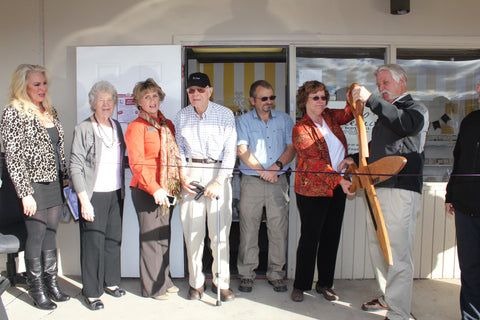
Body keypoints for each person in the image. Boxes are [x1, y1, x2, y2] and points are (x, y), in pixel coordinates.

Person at [338, 64, 429, 320]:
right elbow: (382, 149)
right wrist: (353, 157)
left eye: (386, 82)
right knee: (378, 247)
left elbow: (404, 125)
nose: (381, 88)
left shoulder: (415, 110)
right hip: (375, 188)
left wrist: (371, 100)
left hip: (400, 189)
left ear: (402, 83)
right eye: (378, 84)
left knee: (397, 252)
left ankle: (399, 312)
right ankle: (387, 297)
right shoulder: (388, 114)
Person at [0, 64, 70, 310]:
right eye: (36, 84)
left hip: (53, 182)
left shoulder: (49, 110)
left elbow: (58, 147)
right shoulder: (14, 112)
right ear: (24, 86)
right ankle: (37, 289)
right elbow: (13, 157)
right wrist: (25, 192)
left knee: (51, 232)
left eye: (44, 83)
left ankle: (52, 285)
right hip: (31, 185)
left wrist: (65, 177)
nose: (42, 88)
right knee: (37, 234)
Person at [174, 72, 237, 302]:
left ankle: (221, 283)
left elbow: (231, 151)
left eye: (201, 90)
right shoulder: (181, 116)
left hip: (219, 173)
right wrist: (182, 176)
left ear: (210, 90)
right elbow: (179, 150)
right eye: (191, 90)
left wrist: (219, 181)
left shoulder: (225, 114)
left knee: (220, 235)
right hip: (191, 174)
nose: (196, 94)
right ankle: (196, 283)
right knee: (193, 234)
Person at [290, 81, 354, 303]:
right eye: (315, 97)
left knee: (331, 237)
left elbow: (350, 113)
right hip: (312, 190)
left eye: (323, 97)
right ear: (304, 101)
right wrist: (339, 179)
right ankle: (300, 285)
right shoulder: (300, 129)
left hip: (338, 187)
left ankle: (325, 284)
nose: (320, 101)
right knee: (310, 238)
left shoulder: (330, 117)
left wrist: (353, 96)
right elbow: (314, 162)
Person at [70, 81, 126, 310]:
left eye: (110, 100)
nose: (106, 104)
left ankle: (111, 282)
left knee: (113, 240)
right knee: (92, 243)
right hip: (93, 195)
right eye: (101, 100)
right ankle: (91, 292)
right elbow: (75, 166)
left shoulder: (116, 126)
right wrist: (84, 200)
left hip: (115, 193)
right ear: (93, 102)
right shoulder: (84, 128)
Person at [236, 80, 296, 293]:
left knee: (278, 230)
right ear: (253, 100)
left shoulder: (285, 119)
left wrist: (276, 168)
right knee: (248, 228)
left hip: (278, 183)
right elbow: (242, 150)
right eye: (264, 98)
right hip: (251, 182)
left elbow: (292, 147)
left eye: (272, 97)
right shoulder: (242, 121)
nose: (269, 102)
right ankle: (246, 273)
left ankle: (276, 274)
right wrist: (264, 172)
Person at [125, 78, 181, 301]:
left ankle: (165, 280)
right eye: (146, 96)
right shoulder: (135, 127)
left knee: (163, 237)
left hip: (168, 188)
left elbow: (175, 157)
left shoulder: (167, 124)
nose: (152, 100)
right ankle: (152, 287)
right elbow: (137, 163)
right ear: (138, 102)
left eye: (155, 95)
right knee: (150, 240)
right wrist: (155, 188)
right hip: (146, 190)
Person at [445, 83, 480, 320]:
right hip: (466, 209)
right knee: (469, 270)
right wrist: (450, 195)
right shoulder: (470, 121)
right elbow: (459, 159)